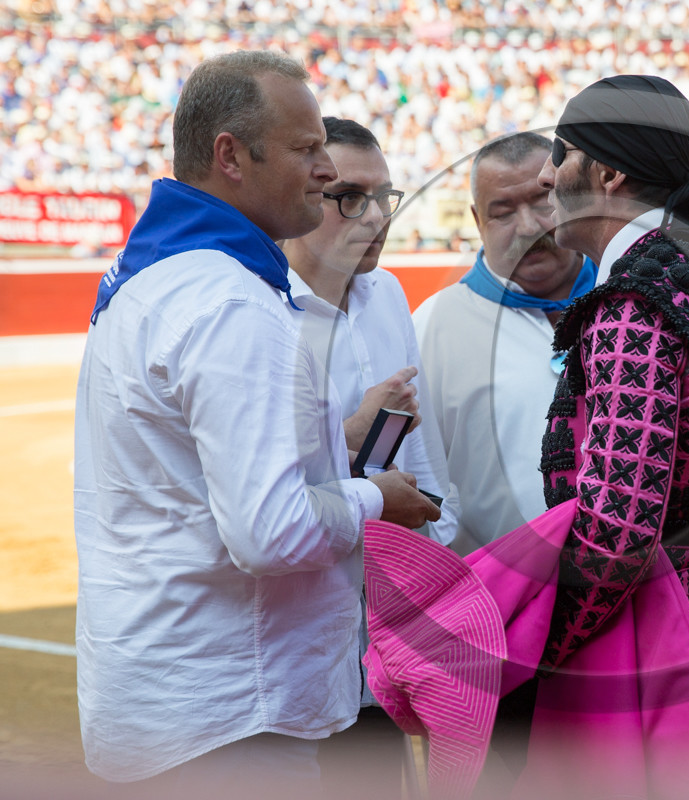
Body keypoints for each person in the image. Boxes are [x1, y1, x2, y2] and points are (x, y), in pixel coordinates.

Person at [73, 51, 440, 796]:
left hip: (172, 694)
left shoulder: (157, 273)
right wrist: (379, 499)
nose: (324, 172)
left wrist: (339, 439)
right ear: (230, 155)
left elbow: (201, 466)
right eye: (307, 150)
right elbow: (269, 532)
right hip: (233, 711)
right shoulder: (232, 301)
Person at [522, 73, 689, 798]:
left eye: (562, 154)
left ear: (608, 174)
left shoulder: (637, 303)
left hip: (656, 649)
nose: (547, 174)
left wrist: (536, 647)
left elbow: (618, 527)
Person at [278, 116, 459, 796]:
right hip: (294, 643)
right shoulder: (256, 313)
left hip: (384, 634)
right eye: (350, 196)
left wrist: (443, 568)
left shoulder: (386, 295)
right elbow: (254, 504)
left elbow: (426, 451)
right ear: (303, 193)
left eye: (387, 196)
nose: (376, 216)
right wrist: (345, 436)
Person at [412, 131, 593, 555]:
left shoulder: (630, 295)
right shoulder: (434, 326)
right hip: (500, 601)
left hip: (640, 589)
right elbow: (416, 487)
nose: (528, 226)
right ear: (478, 221)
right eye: (503, 212)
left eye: (541, 201)